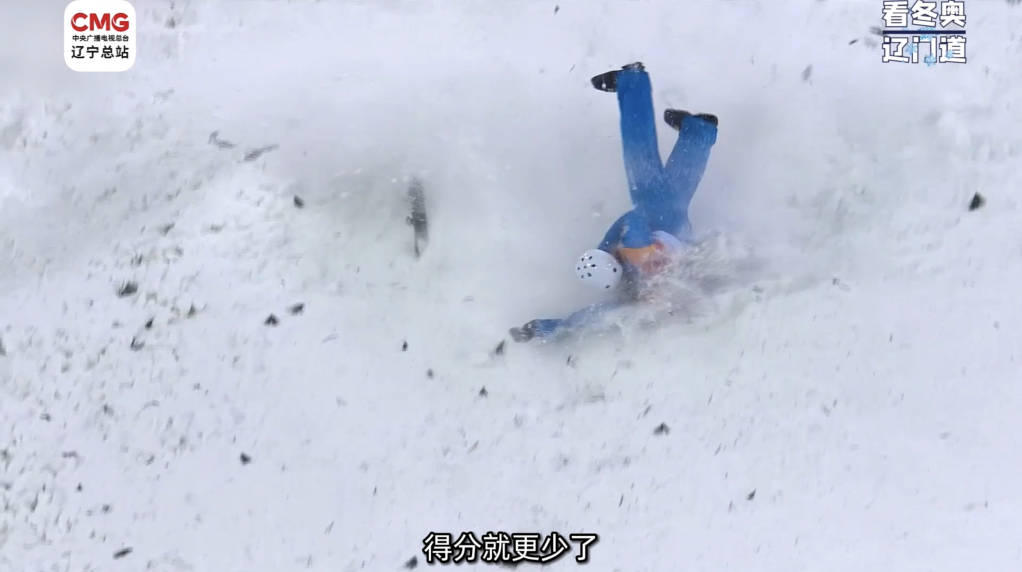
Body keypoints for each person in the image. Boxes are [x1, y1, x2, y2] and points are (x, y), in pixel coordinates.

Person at [510, 62, 718, 343]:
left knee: (676, 191)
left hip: (678, 229)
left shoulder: (629, 285)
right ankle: (632, 82)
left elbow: (592, 316)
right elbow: (632, 221)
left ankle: (699, 131)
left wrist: (545, 328)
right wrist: (617, 247)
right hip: (660, 214)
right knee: (638, 150)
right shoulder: (634, 253)